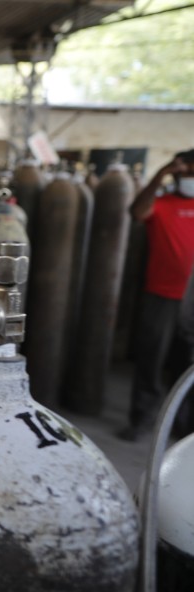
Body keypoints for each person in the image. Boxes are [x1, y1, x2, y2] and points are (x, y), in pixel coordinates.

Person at [119, 149, 194, 441]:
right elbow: (137, 212)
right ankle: (141, 419)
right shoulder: (161, 204)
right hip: (160, 295)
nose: (189, 177)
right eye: (184, 171)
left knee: (187, 366)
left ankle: (184, 430)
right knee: (150, 360)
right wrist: (161, 174)